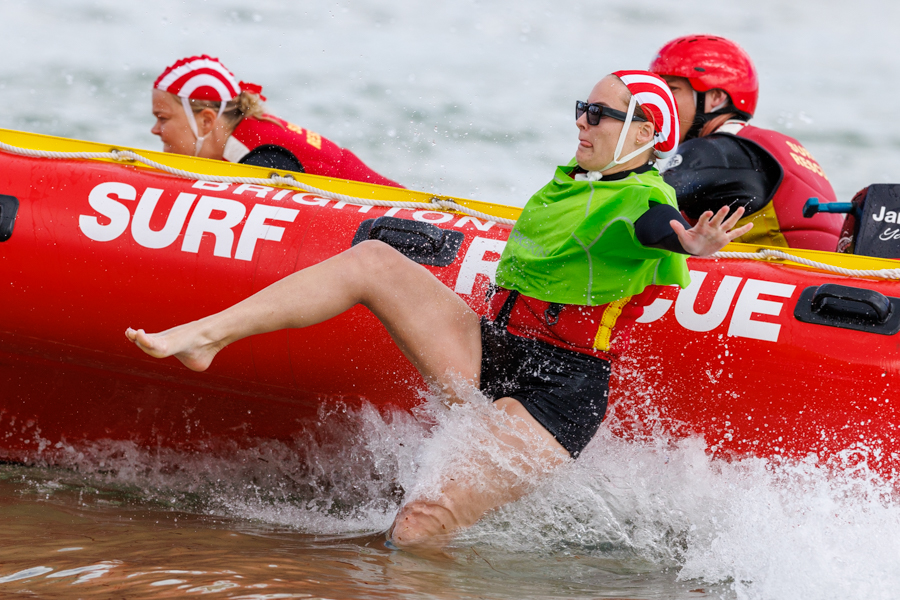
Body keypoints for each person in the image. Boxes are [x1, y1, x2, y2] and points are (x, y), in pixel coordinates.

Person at [126, 70, 751, 550]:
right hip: (492, 347)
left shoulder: (642, 197)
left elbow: (657, 226)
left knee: (419, 526)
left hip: (556, 393)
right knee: (373, 260)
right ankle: (206, 337)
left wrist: (692, 242)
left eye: (600, 115)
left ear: (643, 134)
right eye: (581, 110)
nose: (582, 123)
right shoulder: (575, 182)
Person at [649, 34, 843, 251]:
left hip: (792, 270)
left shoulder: (716, 150)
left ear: (716, 97)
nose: (658, 101)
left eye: (671, 89)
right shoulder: (773, 145)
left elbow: (642, 200)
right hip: (830, 268)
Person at [151, 55, 403, 188]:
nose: (155, 130)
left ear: (207, 120)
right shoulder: (250, 133)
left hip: (400, 230)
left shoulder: (259, 157)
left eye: (162, 119)